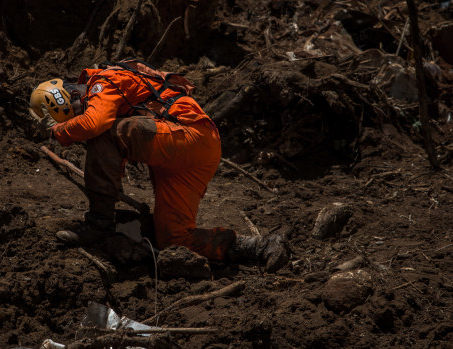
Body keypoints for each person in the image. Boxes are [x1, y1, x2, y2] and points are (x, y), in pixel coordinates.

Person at [29, 59, 289, 272]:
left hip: (188, 137)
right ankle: (258, 246)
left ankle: (99, 223)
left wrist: (56, 132)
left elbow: (96, 123)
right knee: (174, 239)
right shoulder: (109, 86)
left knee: (106, 132)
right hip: (195, 149)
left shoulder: (103, 82)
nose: (79, 115)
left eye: (75, 111)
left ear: (71, 93)